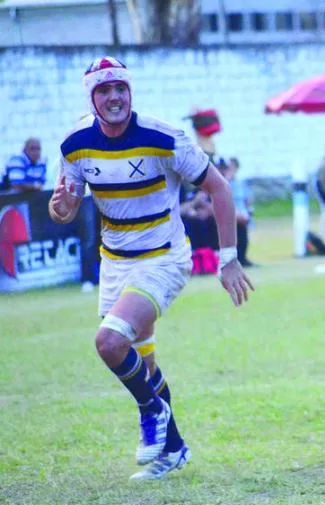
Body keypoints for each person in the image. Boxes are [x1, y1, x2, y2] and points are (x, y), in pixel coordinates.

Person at [48, 57, 254, 481]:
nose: (114, 97)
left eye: (120, 88)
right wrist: (62, 208)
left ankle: (152, 411)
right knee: (144, 361)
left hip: (163, 258)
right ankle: (174, 447)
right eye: (103, 90)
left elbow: (218, 187)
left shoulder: (164, 137)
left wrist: (228, 257)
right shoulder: (74, 144)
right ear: (91, 97)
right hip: (115, 264)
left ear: (130, 92)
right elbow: (65, 207)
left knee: (109, 343)